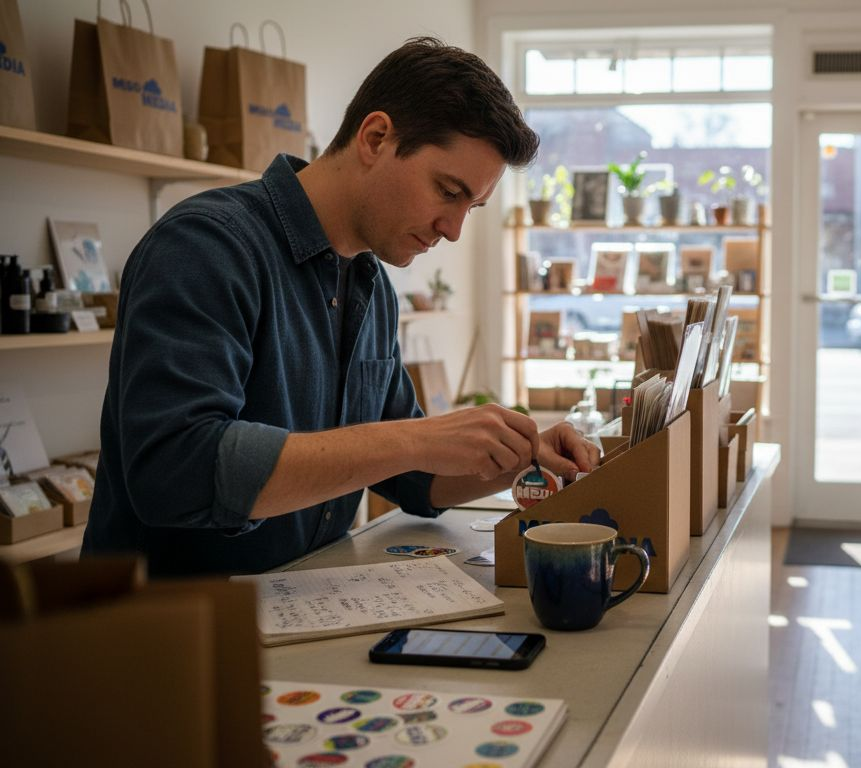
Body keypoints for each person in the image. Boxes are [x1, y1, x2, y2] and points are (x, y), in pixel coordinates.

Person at [82, 38, 598, 576]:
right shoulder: (207, 247)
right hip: (168, 634)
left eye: (471, 206)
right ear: (375, 138)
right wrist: (414, 439)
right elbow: (177, 471)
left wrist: (521, 455)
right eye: (448, 191)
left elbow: (411, 476)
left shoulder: (370, 286)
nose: (453, 229)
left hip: (299, 610)